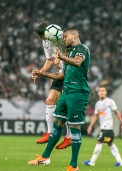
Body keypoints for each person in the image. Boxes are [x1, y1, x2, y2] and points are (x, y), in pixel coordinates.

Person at [28, 28, 90, 171]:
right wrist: (42, 73)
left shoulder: (82, 49)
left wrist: (61, 56)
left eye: (66, 36)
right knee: (57, 124)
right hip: (66, 92)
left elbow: (77, 62)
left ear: (75, 36)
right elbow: (60, 75)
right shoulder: (68, 53)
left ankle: (73, 166)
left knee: (74, 128)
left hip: (78, 93)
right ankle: (45, 157)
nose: (64, 39)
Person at [32, 21, 71, 149]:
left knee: (67, 106)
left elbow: (73, 52)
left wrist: (61, 57)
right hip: (61, 73)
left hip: (72, 73)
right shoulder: (46, 42)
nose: (40, 38)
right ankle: (49, 132)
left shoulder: (64, 37)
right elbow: (49, 60)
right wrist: (40, 72)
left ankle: (69, 137)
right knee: (50, 100)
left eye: (40, 35)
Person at [83, 86, 122, 167]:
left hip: (107, 127)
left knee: (99, 141)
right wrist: (90, 126)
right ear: (98, 93)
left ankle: (92, 162)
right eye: (100, 91)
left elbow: (116, 113)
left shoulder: (110, 102)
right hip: (105, 128)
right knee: (110, 143)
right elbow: (95, 116)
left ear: (106, 92)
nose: (102, 92)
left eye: (103, 90)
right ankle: (120, 162)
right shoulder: (98, 104)